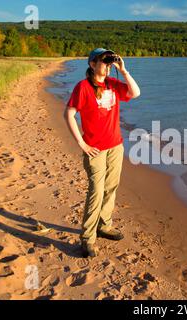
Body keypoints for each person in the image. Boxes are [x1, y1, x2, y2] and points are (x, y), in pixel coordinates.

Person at [65, 48, 140, 258]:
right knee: (96, 192)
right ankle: (87, 238)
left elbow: (135, 93)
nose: (107, 65)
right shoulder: (83, 87)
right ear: (92, 64)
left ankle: (104, 226)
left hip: (115, 146)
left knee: (110, 187)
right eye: (103, 61)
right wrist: (81, 143)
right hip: (95, 150)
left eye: (109, 62)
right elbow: (68, 114)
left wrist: (123, 70)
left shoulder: (112, 84)